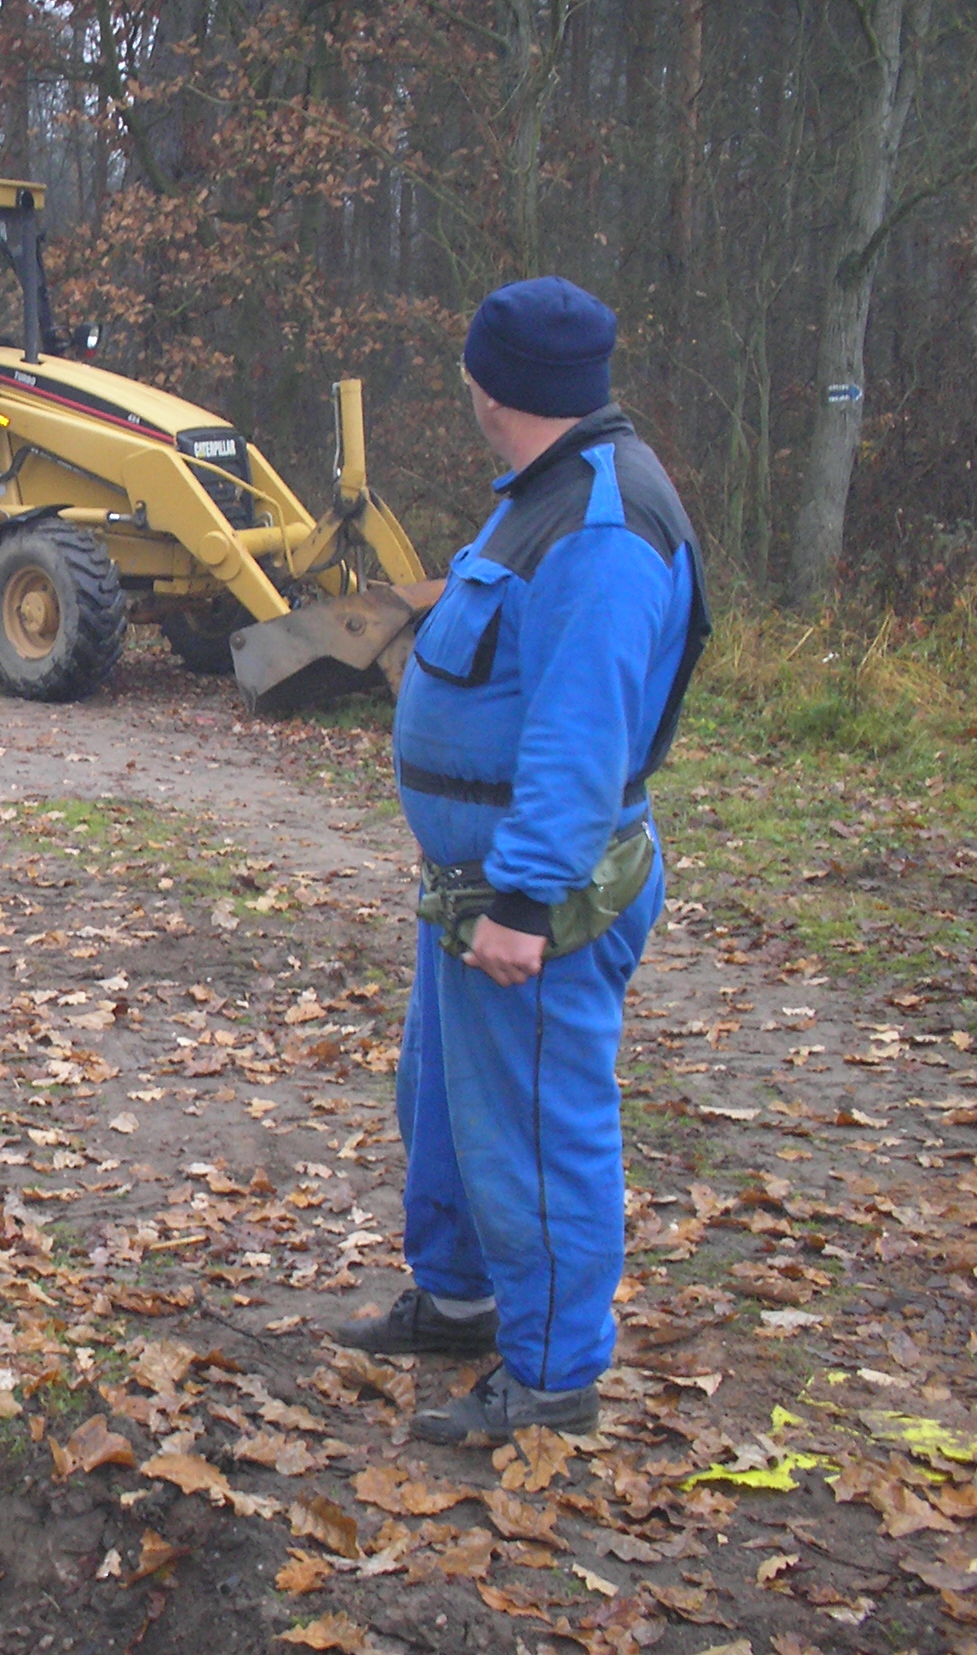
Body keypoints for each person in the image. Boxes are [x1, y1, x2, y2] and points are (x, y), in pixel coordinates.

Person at [340, 276, 709, 1446]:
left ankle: (551, 1374)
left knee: (537, 1131)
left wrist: (522, 900)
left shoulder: (599, 525)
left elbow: (579, 730)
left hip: (532, 899)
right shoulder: (542, 496)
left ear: (488, 381)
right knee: (444, 1104)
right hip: (476, 887)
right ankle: (457, 1300)